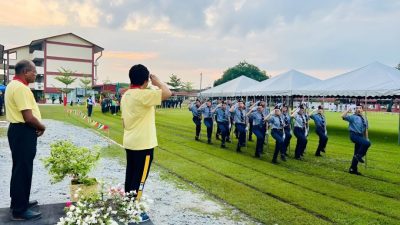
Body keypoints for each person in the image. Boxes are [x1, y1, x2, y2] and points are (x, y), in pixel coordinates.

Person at [121, 64, 171, 221]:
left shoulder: (127, 95)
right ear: (145, 80)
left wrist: (148, 85)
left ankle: (128, 206)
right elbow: (167, 93)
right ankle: (134, 212)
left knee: (130, 176)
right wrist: (156, 81)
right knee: (139, 179)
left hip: (130, 142)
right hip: (143, 144)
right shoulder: (143, 96)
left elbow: (124, 122)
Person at [5, 60, 45, 221]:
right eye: (34, 72)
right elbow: (28, 117)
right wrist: (42, 126)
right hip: (23, 132)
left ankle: (19, 202)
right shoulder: (21, 88)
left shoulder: (13, 85)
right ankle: (19, 211)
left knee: (20, 168)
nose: (36, 74)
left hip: (18, 131)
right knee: (23, 169)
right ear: (26, 71)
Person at [342, 104, 371, 175]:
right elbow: (343, 116)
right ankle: (359, 156)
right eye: (356, 108)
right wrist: (348, 109)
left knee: (357, 152)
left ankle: (353, 169)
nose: (358, 109)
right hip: (354, 135)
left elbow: (365, 130)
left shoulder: (365, 119)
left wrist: (366, 138)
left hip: (360, 136)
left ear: (362, 110)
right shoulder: (353, 117)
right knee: (367, 144)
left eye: (360, 108)